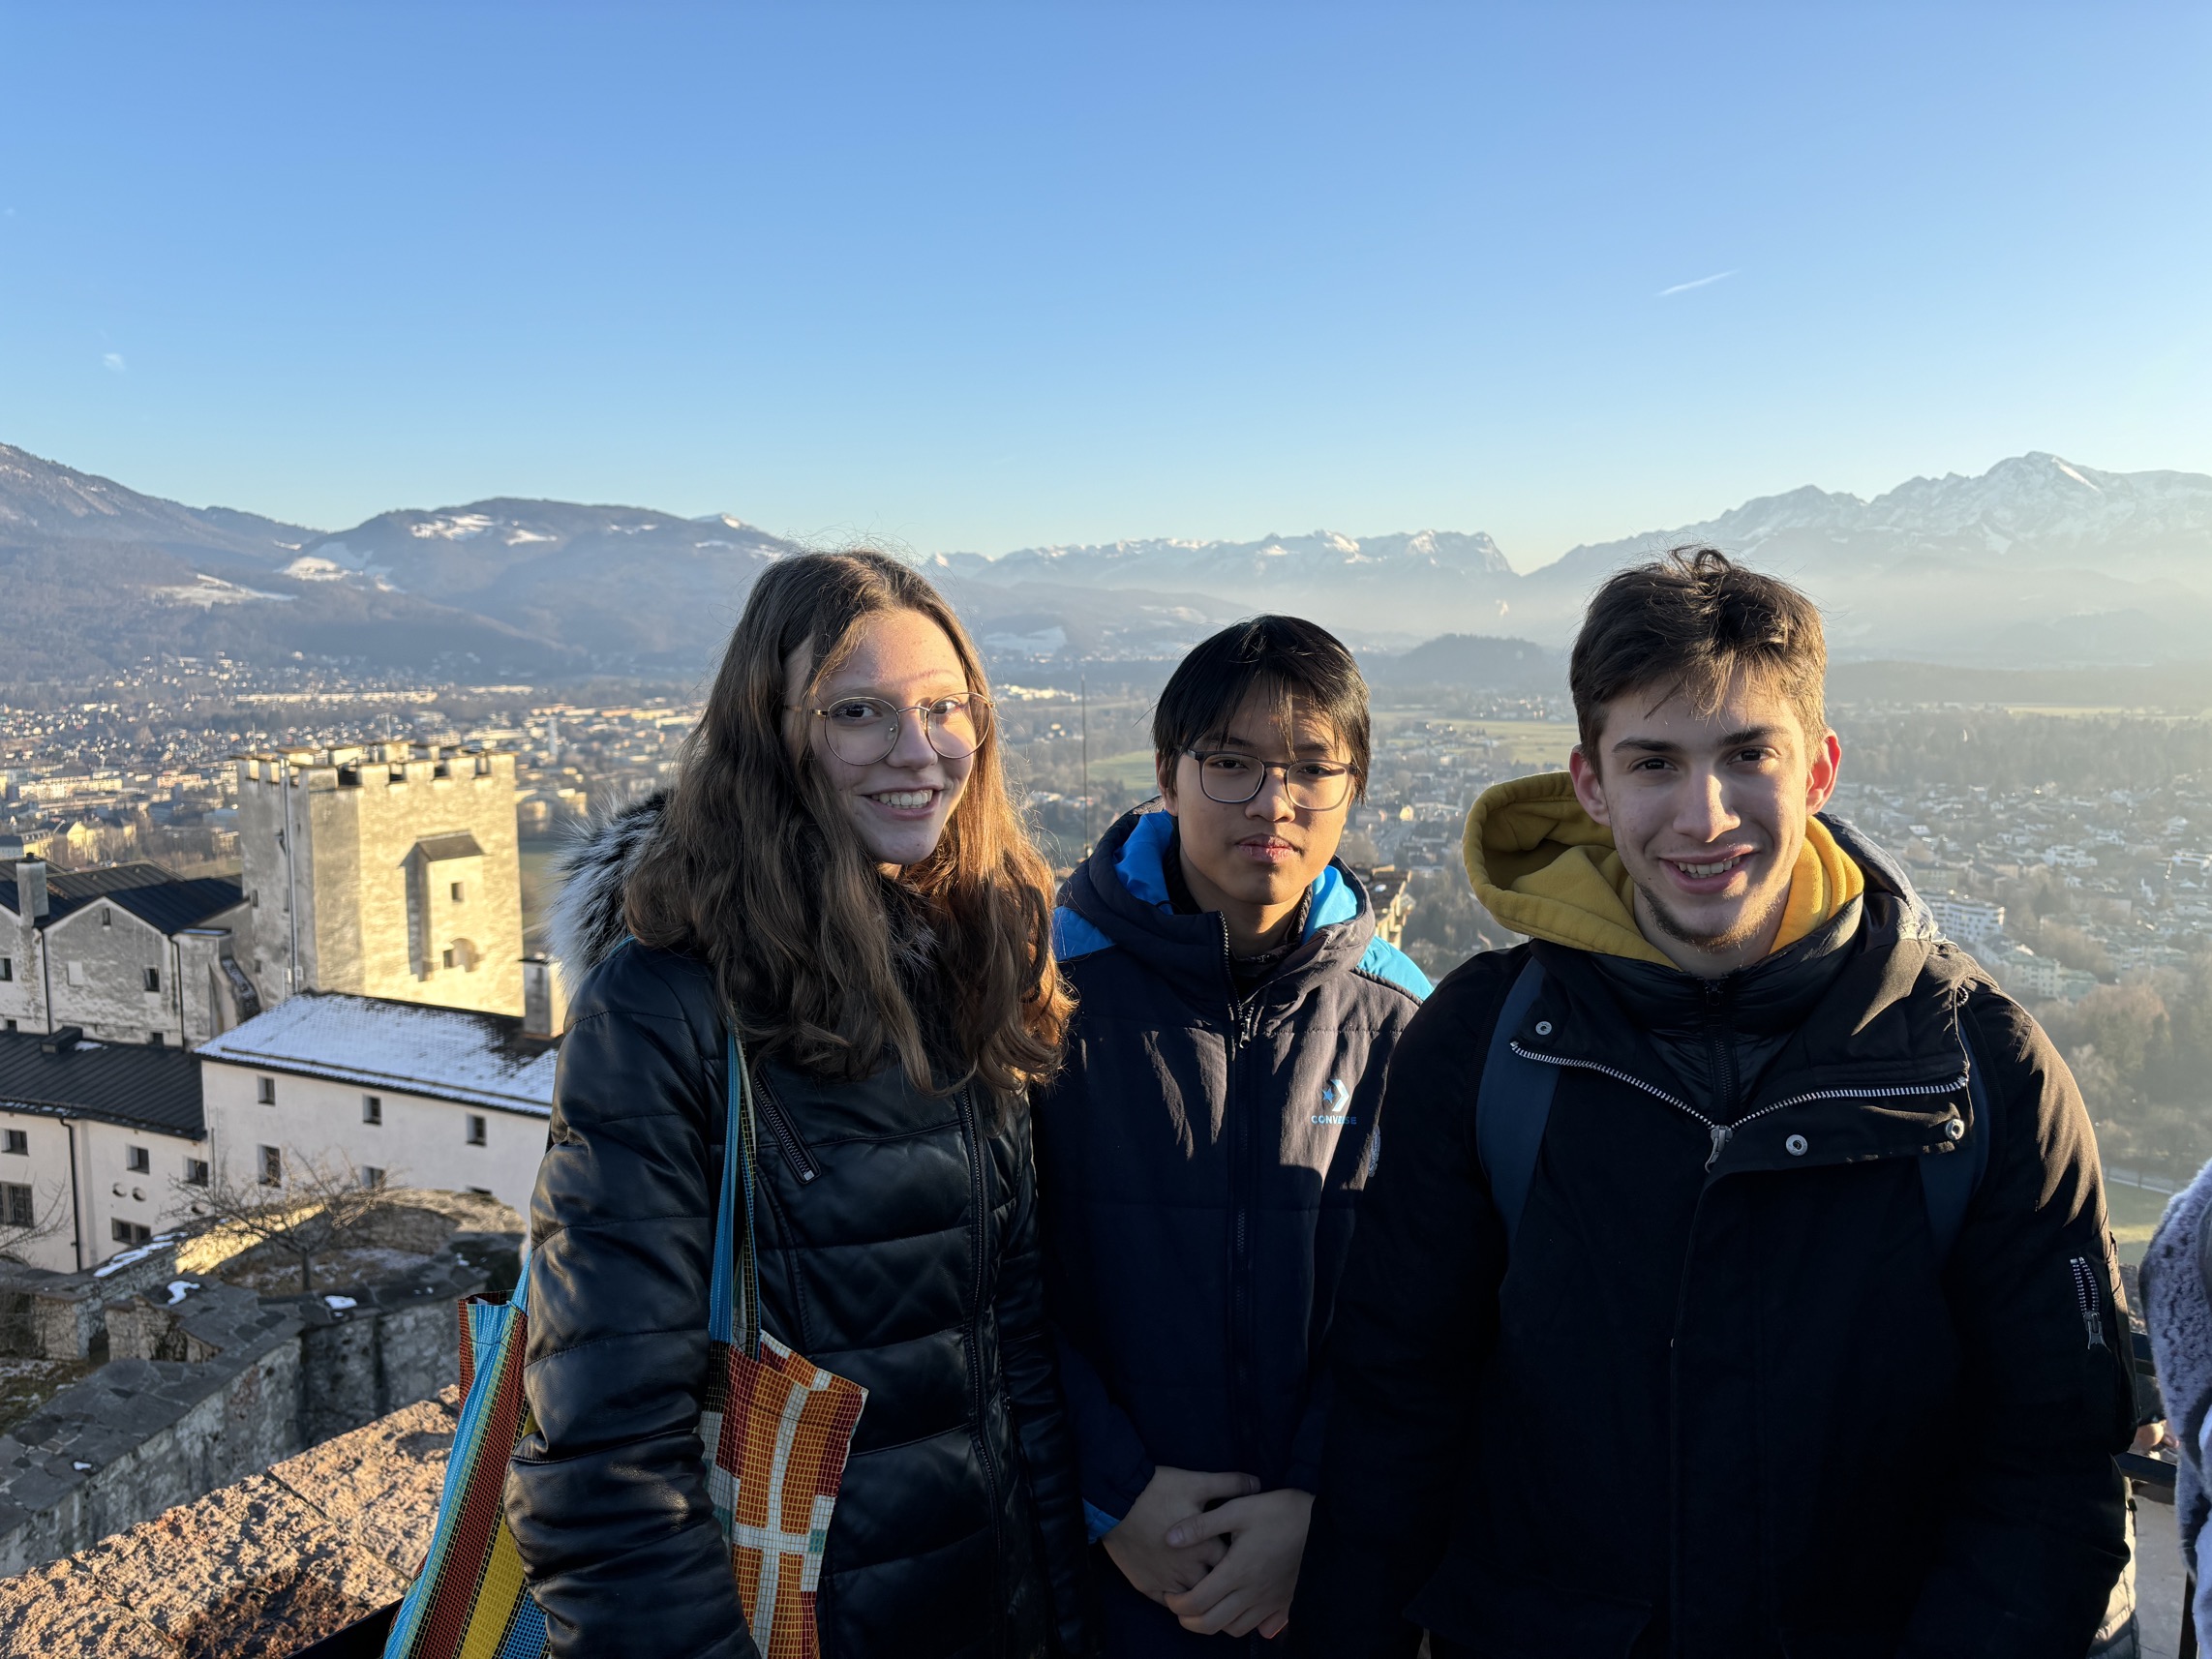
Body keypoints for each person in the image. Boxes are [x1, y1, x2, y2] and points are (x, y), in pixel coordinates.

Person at [1293, 548, 2136, 1657]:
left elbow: (2051, 1464)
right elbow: (1395, 1415)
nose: (1704, 815)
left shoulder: (1979, 1069)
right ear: (1587, 782)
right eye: (1653, 762)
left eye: (1747, 755)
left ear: (1818, 769)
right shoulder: (1485, 1048)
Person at [507, 551, 1089, 1659]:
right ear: (771, 729)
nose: (917, 752)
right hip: (784, 1620)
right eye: (859, 713)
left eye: (943, 709)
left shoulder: (973, 954)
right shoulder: (673, 999)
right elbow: (603, 1458)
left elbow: (1011, 1368)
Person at [1035, 616, 1431, 1654]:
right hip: (1098, 1576)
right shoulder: (1042, 998)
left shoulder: (1403, 1024)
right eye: (1231, 764)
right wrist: (1114, 1495)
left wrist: (1317, 1499)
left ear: (1353, 787)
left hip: (1325, 1586)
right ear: (1166, 775)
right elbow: (988, 1278)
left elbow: (1424, 1305)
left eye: (1311, 768)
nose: (1273, 802)